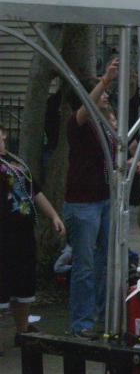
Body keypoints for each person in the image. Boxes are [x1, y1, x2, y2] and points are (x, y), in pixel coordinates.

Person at [62, 60, 124, 339]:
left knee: (104, 262)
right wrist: (105, 80)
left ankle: (102, 313)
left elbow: (119, 153)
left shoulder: (105, 127)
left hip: (105, 200)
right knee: (85, 265)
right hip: (83, 203)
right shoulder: (79, 124)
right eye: (102, 93)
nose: (107, 96)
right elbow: (87, 105)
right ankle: (82, 322)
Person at [0, 122, 65, 351]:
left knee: (23, 284)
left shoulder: (18, 163)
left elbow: (35, 192)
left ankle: (23, 331)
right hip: (2, 236)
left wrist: (54, 215)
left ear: (4, 133)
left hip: (23, 234)